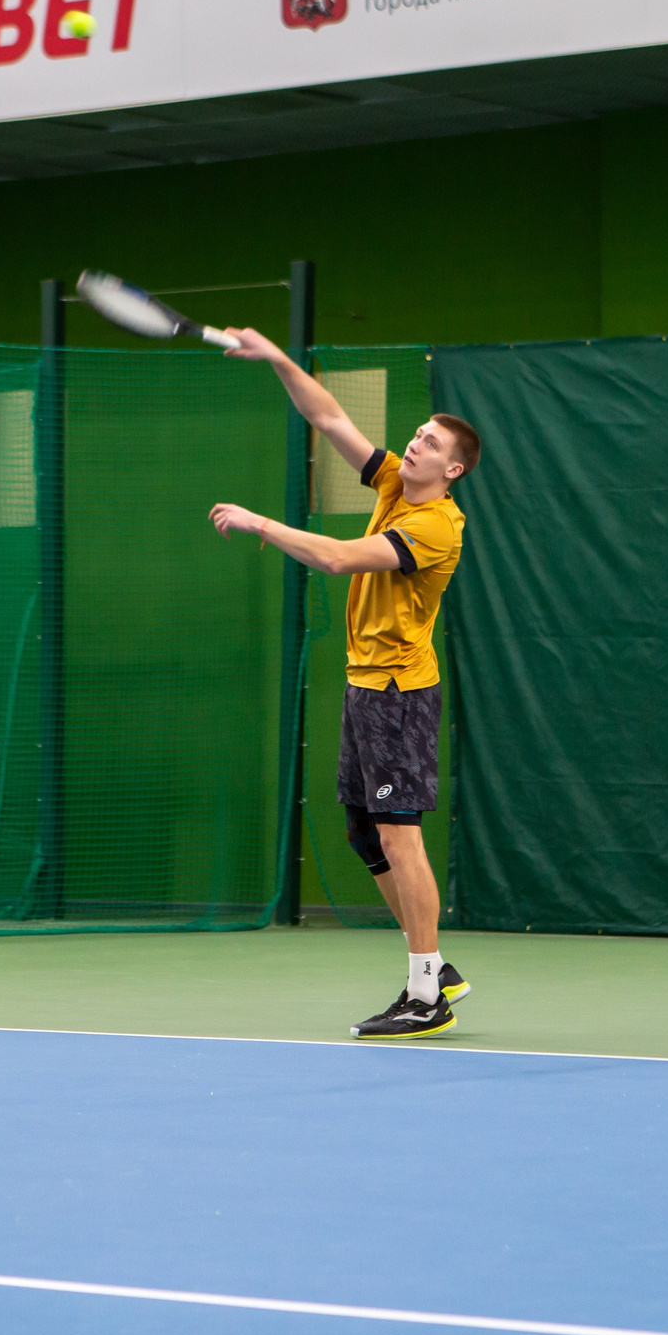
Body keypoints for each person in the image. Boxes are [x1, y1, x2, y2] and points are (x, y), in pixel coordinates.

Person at [208, 328, 482, 1040]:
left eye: (430, 443)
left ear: (452, 471)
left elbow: (336, 558)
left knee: (399, 834)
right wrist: (276, 359)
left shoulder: (436, 526)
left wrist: (259, 521)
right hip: (365, 686)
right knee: (366, 829)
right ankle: (438, 965)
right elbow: (328, 415)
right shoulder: (394, 480)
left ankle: (426, 992)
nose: (415, 443)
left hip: (398, 691)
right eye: (418, 433)